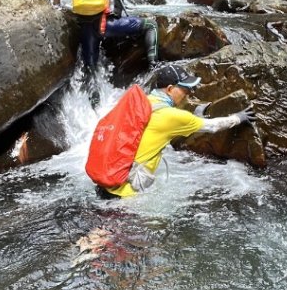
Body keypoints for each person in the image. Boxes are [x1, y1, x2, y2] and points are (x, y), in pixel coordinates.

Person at [90, 64, 256, 199]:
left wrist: (193, 117)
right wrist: (238, 118)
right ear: (170, 89)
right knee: (110, 238)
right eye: (185, 89)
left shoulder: (145, 103)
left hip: (107, 184)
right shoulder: (172, 116)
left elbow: (164, 128)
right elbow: (212, 127)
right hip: (124, 194)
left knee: (96, 236)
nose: (189, 93)